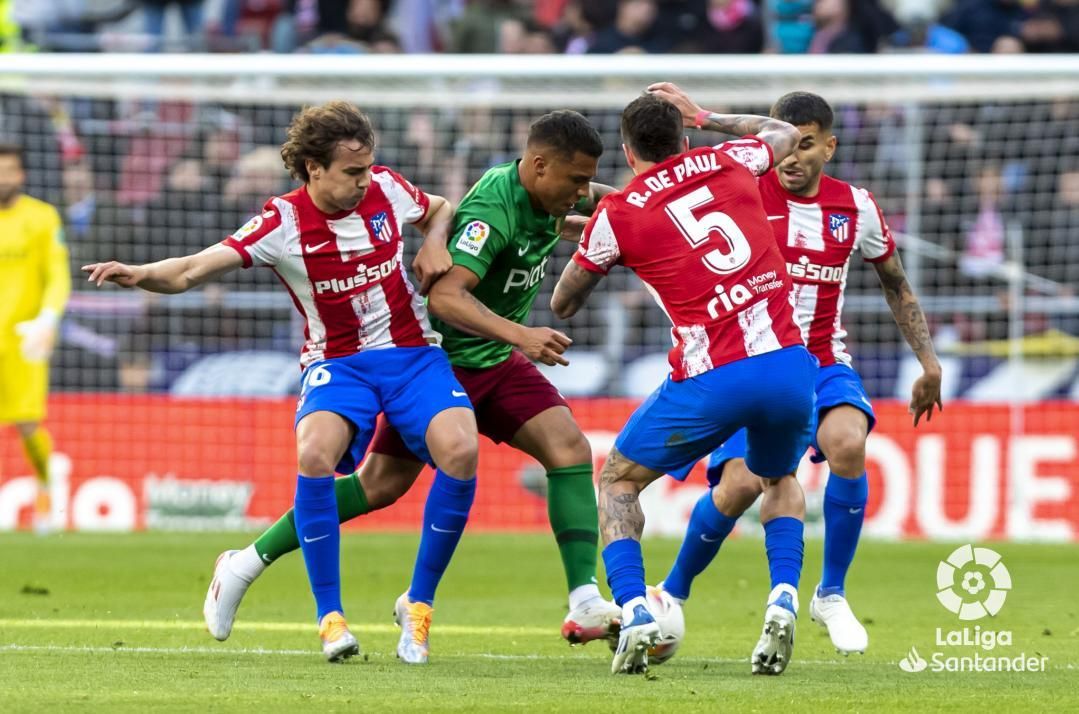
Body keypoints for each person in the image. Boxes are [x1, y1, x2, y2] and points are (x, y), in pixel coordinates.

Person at [202, 109, 623, 665]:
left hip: (493, 361)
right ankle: (247, 563)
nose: (581, 191)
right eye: (574, 181)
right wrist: (522, 335)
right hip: (443, 362)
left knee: (568, 447)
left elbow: (608, 200)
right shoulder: (492, 211)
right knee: (377, 486)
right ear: (540, 166)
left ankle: (584, 597)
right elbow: (445, 298)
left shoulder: (550, 195)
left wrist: (653, 201)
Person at [83, 101, 481, 664]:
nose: (364, 181)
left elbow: (440, 208)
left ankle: (417, 609)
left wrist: (436, 238)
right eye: (351, 172)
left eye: (368, 168)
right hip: (338, 362)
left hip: (412, 354)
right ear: (313, 168)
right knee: (315, 452)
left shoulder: (387, 189)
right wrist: (141, 274)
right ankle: (330, 619)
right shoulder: (282, 222)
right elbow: (196, 267)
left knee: (461, 450)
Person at [652, 88, 944, 658]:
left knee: (848, 444)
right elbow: (667, 214)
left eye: (806, 144)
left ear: (828, 147)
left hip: (822, 358)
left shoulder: (855, 206)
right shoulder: (741, 192)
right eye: (785, 143)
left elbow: (895, 283)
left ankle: (830, 593)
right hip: (751, 358)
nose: (791, 156)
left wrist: (929, 362)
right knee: (738, 486)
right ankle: (674, 590)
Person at [550, 90, 816, 675]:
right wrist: (707, 114)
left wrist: (600, 241)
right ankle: (784, 597)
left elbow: (565, 302)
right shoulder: (732, 159)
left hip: (711, 376)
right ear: (686, 139)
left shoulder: (618, 213)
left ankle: (637, 609)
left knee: (617, 480)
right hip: (790, 366)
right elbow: (783, 132)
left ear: (626, 150)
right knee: (779, 478)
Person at [0, 143, 71, 534]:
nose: (2, 178)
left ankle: (46, 487)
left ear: (21, 175)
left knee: (27, 426)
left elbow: (57, 276)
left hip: (23, 339)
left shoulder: (41, 218)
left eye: (9, 171)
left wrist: (47, 319)